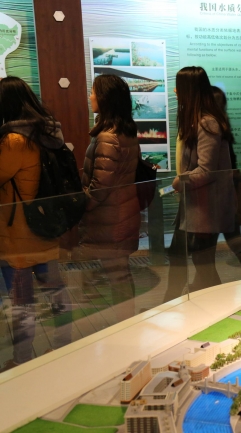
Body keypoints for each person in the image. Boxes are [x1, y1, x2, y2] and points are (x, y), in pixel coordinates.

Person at [0, 77, 68, 371]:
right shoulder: (47, 133)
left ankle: (22, 358)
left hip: (17, 235)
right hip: (44, 227)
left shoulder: (14, 141)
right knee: (56, 293)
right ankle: (66, 346)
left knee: (21, 302)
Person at [163, 67, 236, 301]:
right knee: (191, 259)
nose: (175, 92)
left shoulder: (207, 123)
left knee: (202, 261)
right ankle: (176, 303)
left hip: (205, 208)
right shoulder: (198, 121)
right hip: (196, 205)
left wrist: (179, 181)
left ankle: (213, 305)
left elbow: (206, 170)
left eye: (179, 87)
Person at [78, 74, 141, 322]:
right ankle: (127, 322)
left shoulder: (107, 136)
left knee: (117, 275)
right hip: (122, 212)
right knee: (121, 274)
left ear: (105, 98)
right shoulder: (124, 131)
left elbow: (100, 187)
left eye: (93, 92)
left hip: (111, 217)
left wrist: (82, 204)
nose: (90, 97)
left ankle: (126, 325)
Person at [211, 86, 241, 279]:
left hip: (218, 200)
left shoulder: (215, 132)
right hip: (225, 199)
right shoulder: (223, 129)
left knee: (205, 251)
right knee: (234, 244)